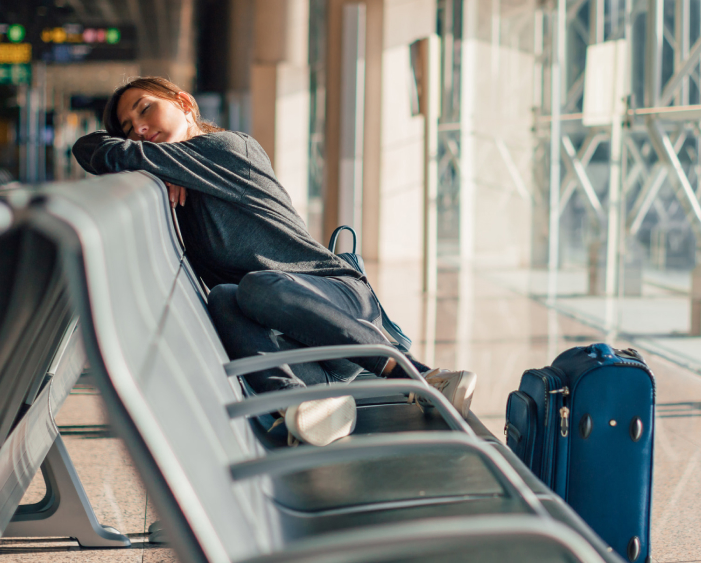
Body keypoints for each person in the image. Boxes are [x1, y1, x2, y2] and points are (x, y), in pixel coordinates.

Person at [73, 77, 476, 446]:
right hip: (303, 351)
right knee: (225, 298)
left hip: (338, 301)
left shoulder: (228, 148)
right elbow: (89, 148)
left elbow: (107, 154)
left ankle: (417, 375)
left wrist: (152, 159)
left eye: (144, 109)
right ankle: (304, 408)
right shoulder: (181, 167)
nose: (139, 129)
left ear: (183, 102)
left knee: (256, 285)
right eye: (128, 128)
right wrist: (158, 163)